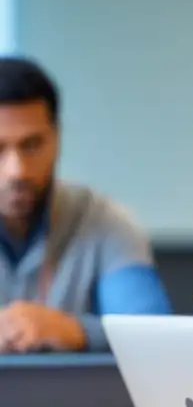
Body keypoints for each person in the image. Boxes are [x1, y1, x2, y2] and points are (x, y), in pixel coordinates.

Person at [0, 57, 171, 352]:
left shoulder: (105, 222)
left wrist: (69, 329)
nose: (17, 170)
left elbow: (152, 333)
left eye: (32, 145)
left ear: (57, 138)